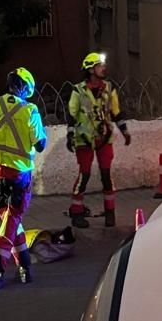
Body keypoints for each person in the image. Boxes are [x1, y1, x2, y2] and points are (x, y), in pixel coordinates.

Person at [0, 66, 46, 291]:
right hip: (19, 173)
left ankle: (25, 267)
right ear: (25, 87)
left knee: (11, 221)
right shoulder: (30, 109)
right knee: (11, 221)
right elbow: (40, 143)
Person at [67, 52, 130, 228]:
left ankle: (110, 213)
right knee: (84, 175)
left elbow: (116, 113)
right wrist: (70, 135)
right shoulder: (77, 91)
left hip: (105, 138)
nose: (103, 68)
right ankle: (77, 212)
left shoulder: (110, 89)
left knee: (106, 175)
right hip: (84, 140)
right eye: (99, 65)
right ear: (90, 69)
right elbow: (71, 115)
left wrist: (124, 131)